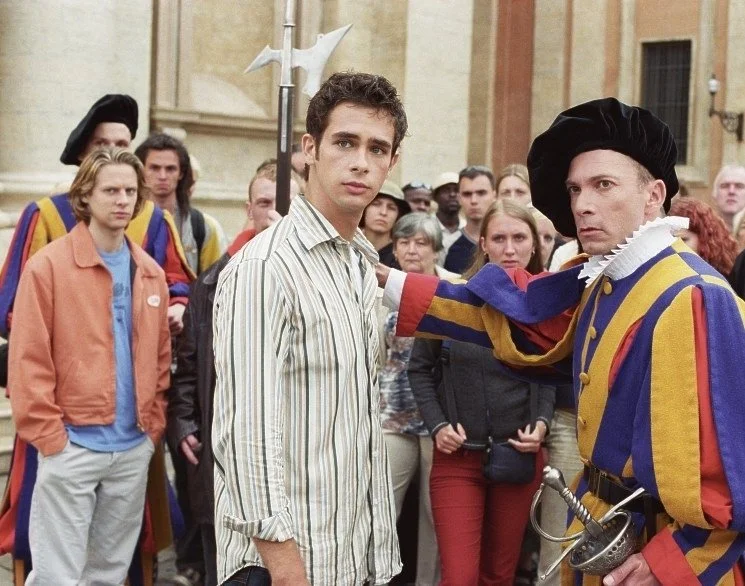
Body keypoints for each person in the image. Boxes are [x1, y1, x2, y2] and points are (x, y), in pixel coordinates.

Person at [380, 98, 745, 585]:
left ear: (654, 194)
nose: (582, 205)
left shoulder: (693, 296)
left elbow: (728, 466)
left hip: (658, 557)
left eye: (603, 185)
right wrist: (387, 281)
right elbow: (518, 324)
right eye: (575, 189)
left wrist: (669, 564)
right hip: (605, 531)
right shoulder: (607, 279)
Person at [212, 71, 405, 585]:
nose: (361, 161)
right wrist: (285, 567)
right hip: (284, 565)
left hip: (353, 556)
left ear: (391, 162)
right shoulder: (264, 268)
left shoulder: (358, 264)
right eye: (345, 142)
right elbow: (245, 433)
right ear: (310, 149)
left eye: (377, 148)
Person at [0, 94, 188, 586]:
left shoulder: (148, 271)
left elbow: (159, 358)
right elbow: (28, 357)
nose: (122, 200)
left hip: (131, 446)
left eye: (129, 191)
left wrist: (150, 429)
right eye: (111, 191)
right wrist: (51, 438)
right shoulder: (48, 266)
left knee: (108, 573)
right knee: (56, 575)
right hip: (72, 443)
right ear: (85, 195)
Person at [409, 200, 555, 585]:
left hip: (517, 456)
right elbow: (419, 369)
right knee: (459, 577)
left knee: (499, 576)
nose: (510, 249)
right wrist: (437, 425)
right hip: (458, 458)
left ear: (533, 244)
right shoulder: (450, 298)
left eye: (519, 238)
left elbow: (549, 372)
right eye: (500, 238)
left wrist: (542, 423)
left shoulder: (544, 305)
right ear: (484, 244)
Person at [168, 162, 297, 586]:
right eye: (265, 202)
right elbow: (189, 364)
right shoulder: (213, 280)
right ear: (249, 209)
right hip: (225, 451)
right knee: (227, 568)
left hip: (294, 452)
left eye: (285, 202)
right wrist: (185, 422)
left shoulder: (316, 277)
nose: (274, 211)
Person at [377, 212, 456, 586]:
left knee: (434, 516)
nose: (412, 250)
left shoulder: (454, 288)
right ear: (394, 249)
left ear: (436, 249)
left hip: (439, 420)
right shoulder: (377, 291)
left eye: (421, 242)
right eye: (404, 242)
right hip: (391, 415)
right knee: (379, 510)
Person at [135, 133, 226, 275]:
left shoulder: (204, 227)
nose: (163, 176)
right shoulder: (125, 220)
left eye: (170, 169)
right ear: (141, 171)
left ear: (181, 173)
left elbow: (215, 281)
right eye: (154, 168)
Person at [444, 165, 497, 273]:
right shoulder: (446, 246)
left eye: (481, 193)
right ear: (459, 198)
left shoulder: (508, 239)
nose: (474, 200)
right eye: (467, 194)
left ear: (494, 195)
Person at [669, 197, 737, 277]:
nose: (674, 247)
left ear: (704, 239)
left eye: (683, 240)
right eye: (669, 241)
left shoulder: (730, 277)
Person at [360, 179, 411, 267]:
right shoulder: (346, 245)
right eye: (376, 204)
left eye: (391, 208)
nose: (383, 212)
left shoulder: (403, 254)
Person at [432, 171, 465, 265]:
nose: (452, 194)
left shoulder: (467, 229)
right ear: (435, 197)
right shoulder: (425, 227)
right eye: (446, 190)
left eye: (457, 190)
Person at [711, 164, 745, 233]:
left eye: (739, 186)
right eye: (725, 186)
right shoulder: (697, 231)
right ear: (714, 195)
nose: (731, 191)